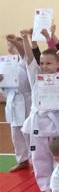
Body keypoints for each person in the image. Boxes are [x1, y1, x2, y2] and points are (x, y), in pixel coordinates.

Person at [20, 29, 59, 192]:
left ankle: (58, 185)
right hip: (38, 124)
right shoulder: (36, 77)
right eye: (42, 63)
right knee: (39, 157)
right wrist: (25, 38)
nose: (44, 66)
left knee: (58, 156)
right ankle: (46, 186)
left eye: (48, 63)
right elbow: (29, 59)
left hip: (55, 123)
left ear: (58, 64)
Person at [1, 34, 31, 171]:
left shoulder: (25, 61)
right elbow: (4, 90)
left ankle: (35, 161)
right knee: (16, 134)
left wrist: (19, 43)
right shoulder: (4, 64)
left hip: (26, 100)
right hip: (12, 100)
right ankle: (22, 160)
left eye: (11, 45)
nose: (9, 48)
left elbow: (25, 55)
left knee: (29, 134)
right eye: (8, 45)